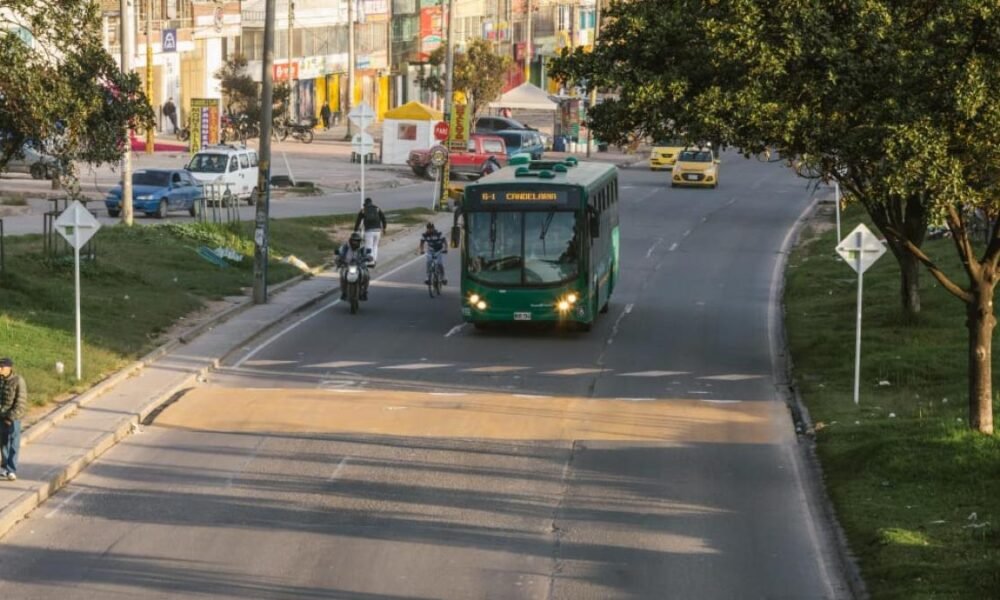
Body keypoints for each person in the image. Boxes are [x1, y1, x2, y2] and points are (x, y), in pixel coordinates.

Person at [0, 357, 26, 482]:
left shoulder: (18, 381)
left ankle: (11, 469)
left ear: (9, 368)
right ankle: (4, 468)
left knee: (13, 445)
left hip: (13, 418)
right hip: (1, 417)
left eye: (2, 367)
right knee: (3, 444)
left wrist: (10, 417)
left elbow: (20, 402)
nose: (0, 369)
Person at [336, 232, 371, 301]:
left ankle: (364, 291)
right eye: (354, 240)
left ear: (359, 241)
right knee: (342, 277)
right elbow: (339, 255)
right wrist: (339, 260)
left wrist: (369, 258)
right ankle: (344, 292)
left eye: (357, 241)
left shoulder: (362, 247)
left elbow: (366, 255)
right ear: (350, 240)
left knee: (367, 275)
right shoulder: (345, 247)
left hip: (360, 266)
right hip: (347, 265)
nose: (355, 242)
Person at [353, 197, 387, 267]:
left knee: (369, 246)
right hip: (378, 230)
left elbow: (358, 221)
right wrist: (384, 228)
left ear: (365, 204)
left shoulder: (363, 210)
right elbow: (383, 218)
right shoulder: (377, 209)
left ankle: (370, 262)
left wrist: (355, 230)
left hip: (369, 231)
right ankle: (374, 260)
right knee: (375, 246)